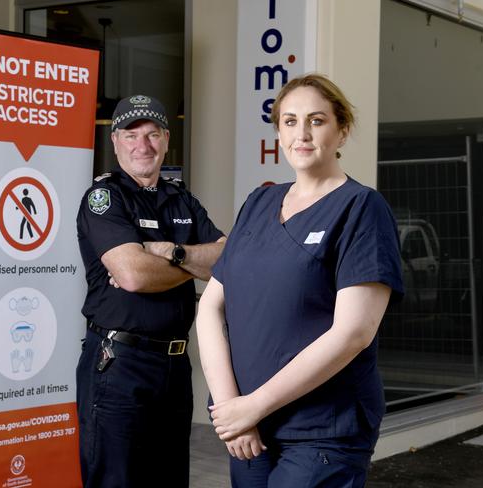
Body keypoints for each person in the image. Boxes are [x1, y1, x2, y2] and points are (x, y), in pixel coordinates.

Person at [196, 74, 404, 488]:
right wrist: (230, 409)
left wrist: (253, 405)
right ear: (278, 131)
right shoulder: (259, 202)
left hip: (323, 430)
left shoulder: (361, 208)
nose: (302, 134)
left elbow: (353, 334)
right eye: (289, 121)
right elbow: (210, 307)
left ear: (342, 129)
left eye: (317, 120)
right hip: (247, 430)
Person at [76, 94, 226, 488]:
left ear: (166, 139)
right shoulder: (104, 199)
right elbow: (132, 276)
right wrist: (193, 263)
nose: (142, 145)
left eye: (152, 134)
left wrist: (170, 252)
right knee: (116, 480)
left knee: (169, 478)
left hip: (175, 366)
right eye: (131, 135)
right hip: (119, 363)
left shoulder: (183, 200)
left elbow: (229, 260)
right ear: (115, 141)